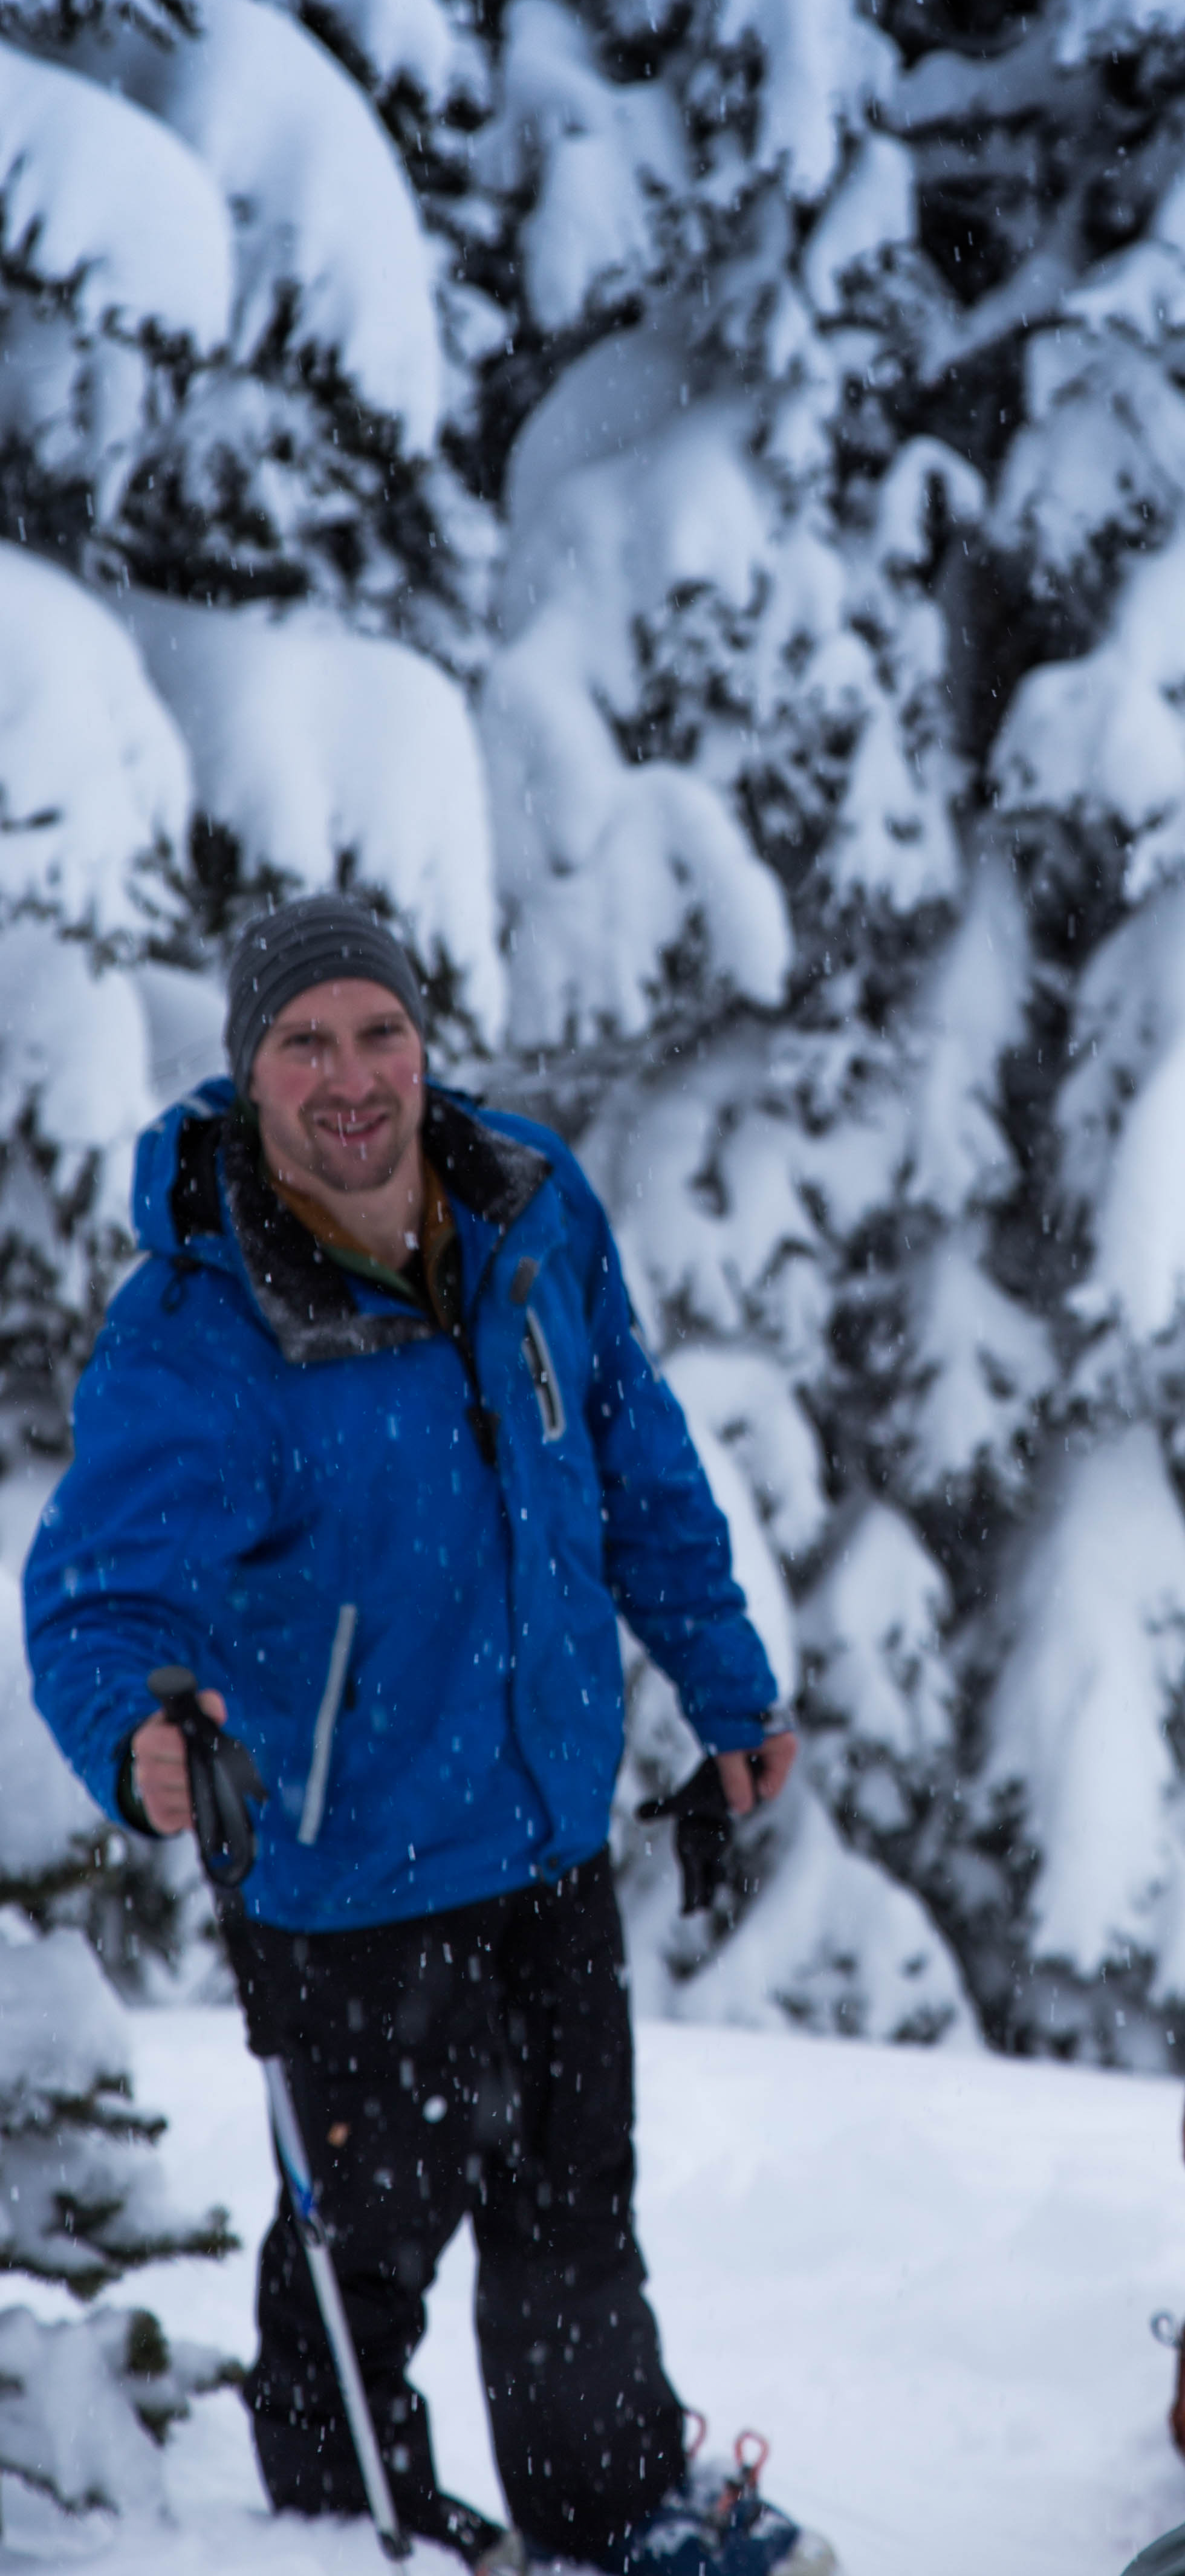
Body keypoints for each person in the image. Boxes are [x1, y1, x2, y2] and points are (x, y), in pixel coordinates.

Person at [25, 897, 826, 2576]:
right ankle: (343, 2538)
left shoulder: (531, 1207)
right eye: (304, 1042)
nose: (350, 1077)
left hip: (546, 1832)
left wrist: (728, 1685)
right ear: (250, 1069)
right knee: (364, 2248)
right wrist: (137, 1735)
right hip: (344, 1869)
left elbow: (637, 1458)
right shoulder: (202, 1324)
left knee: (572, 2213)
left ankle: (612, 2520)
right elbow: (100, 1592)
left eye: (378, 1032)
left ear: (424, 1039)